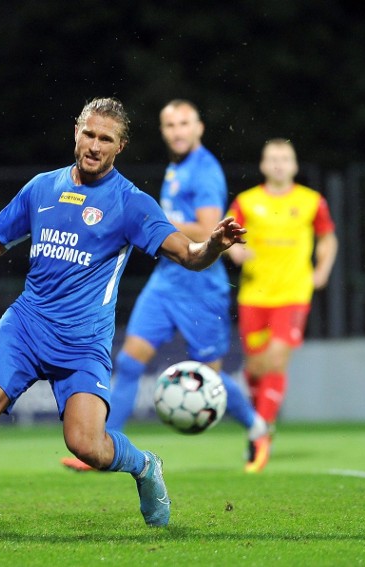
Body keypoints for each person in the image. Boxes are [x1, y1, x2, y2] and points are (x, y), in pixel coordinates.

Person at [0, 97, 246, 542]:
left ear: (120, 148)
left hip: (83, 342)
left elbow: (189, 255)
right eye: (89, 134)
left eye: (106, 139)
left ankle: (143, 464)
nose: (95, 146)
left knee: (86, 445)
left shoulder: (132, 204)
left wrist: (212, 246)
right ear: (76, 131)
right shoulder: (42, 188)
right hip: (27, 324)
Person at [61, 99, 269, 474]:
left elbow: (208, 230)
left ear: (199, 128)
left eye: (184, 124)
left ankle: (257, 428)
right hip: (165, 282)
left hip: (200, 287)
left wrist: (156, 219)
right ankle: (100, 445)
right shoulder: (178, 168)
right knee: (127, 362)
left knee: (212, 375)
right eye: (170, 125)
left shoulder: (204, 170)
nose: (178, 132)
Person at [226, 138, 338, 471]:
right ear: (263, 165)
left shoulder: (311, 201)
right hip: (254, 295)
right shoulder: (247, 201)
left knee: (277, 359)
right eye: (272, 159)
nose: (278, 164)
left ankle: (259, 435)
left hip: (293, 294)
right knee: (256, 368)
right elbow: (228, 235)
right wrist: (236, 251)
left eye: (284, 159)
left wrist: (322, 271)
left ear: (293, 165)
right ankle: (262, 423)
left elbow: (328, 238)